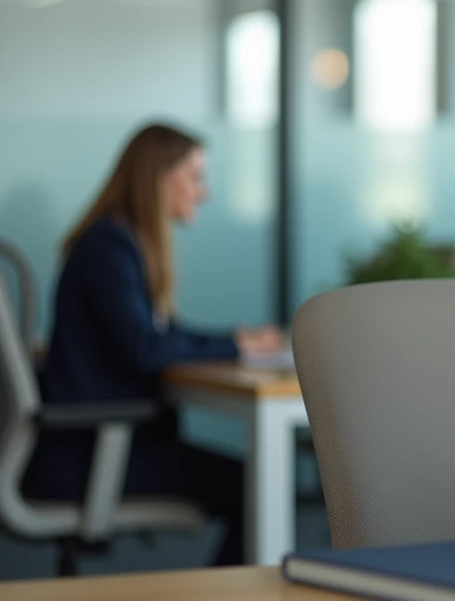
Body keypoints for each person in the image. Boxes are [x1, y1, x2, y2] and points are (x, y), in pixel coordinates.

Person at [27, 123, 283, 566]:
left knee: (252, 483)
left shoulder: (117, 243)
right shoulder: (109, 247)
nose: (204, 192)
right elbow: (146, 348)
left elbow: (161, 336)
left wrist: (235, 341)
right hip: (89, 455)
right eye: (196, 176)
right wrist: (236, 347)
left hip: (89, 447)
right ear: (159, 178)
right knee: (259, 489)